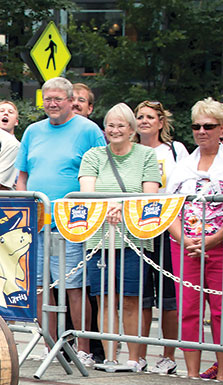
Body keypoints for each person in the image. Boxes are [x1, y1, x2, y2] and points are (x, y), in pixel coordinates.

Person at [16, 77, 106, 367]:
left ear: (71, 101)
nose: (52, 104)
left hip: (73, 223)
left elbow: (103, 171)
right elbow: (22, 176)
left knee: (74, 286)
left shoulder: (88, 130)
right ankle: (49, 344)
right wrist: (23, 211)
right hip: (39, 223)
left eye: (58, 99)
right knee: (42, 287)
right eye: (47, 99)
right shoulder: (32, 131)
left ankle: (83, 348)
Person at [78, 103, 161, 371]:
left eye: (121, 125)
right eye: (110, 125)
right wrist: (109, 207)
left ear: (132, 130)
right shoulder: (93, 156)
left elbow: (149, 197)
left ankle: (135, 358)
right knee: (104, 299)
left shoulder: (147, 156)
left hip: (133, 239)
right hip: (99, 238)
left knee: (131, 299)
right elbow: (86, 194)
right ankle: (111, 357)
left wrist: (119, 207)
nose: (114, 130)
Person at [166, 98, 223, 381]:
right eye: (196, 126)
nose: (201, 131)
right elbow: (167, 209)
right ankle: (193, 373)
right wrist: (184, 239)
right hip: (185, 246)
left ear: (221, 128)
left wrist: (213, 240)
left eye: (208, 126)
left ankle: (222, 373)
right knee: (188, 308)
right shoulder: (183, 165)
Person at [134, 99, 189, 374]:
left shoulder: (175, 151)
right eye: (140, 116)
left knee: (169, 296)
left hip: (169, 226)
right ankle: (139, 354)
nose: (144, 121)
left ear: (160, 122)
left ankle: (168, 354)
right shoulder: (130, 150)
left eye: (150, 117)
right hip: (139, 228)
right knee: (141, 296)